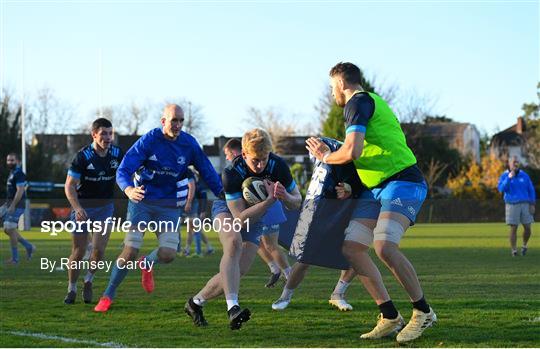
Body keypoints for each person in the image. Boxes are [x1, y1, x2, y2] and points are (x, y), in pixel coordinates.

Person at [306, 62, 436, 343]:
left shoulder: (358, 102)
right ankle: (389, 316)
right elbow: (367, 154)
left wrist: (327, 156)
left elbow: (352, 151)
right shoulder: (367, 103)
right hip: (376, 189)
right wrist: (352, 184)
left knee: (384, 246)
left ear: (341, 84)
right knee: (352, 249)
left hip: (403, 182)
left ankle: (423, 312)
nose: (332, 95)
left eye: (331, 88)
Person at [94, 104, 222, 313]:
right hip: (142, 200)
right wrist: (128, 190)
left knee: (169, 254)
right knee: (130, 250)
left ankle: (148, 263)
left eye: (181, 120)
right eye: (174, 120)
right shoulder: (149, 140)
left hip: (169, 204)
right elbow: (123, 170)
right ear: (163, 121)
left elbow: (207, 170)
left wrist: (223, 193)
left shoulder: (189, 144)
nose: (178, 125)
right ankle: (108, 294)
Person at [184, 128, 302, 330]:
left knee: (239, 270)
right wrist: (269, 201)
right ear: (244, 154)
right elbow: (238, 219)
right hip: (227, 209)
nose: (260, 164)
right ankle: (233, 309)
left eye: (264, 159)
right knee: (233, 243)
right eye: (255, 160)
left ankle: (195, 303)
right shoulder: (232, 172)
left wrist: (285, 196)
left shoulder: (278, 166)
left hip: (257, 216)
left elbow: (296, 202)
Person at [63, 118, 123, 304]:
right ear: (94, 134)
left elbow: (131, 170)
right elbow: (69, 186)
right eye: (103, 133)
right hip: (83, 209)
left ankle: (88, 280)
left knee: (98, 250)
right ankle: (71, 288)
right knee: (79, 251)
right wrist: (78, 208)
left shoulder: (117, 153)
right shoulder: (83, 157)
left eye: (110, 133)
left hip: (105, 207)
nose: (107, 137)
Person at [223, 138, 288, 288]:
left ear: (235, 152)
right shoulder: (236, 171)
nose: (227, 158)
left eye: (227, 154)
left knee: (271, 244)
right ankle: (275, 269)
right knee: (256, 242)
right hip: (255, 210)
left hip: (270, 208)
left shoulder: (260, 166)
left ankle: (289, 274)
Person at [497, 156, 536, 256]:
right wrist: (509, 178)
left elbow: (531, 189)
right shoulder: (504, 175)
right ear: (509, 163)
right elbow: (501, 189)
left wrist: (532, 203)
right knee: (514, 228)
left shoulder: (524, 175)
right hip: (512, 204)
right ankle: (514, 250)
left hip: (525, 204)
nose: (516, 164)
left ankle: (524, 245)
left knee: (528, 228)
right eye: (514, 162)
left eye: (517, 162)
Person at [2, 153, 35, 264]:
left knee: (9, 228)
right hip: (11, 203)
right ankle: (28, 246)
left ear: (17, 161)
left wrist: (13, 205)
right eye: (8, 160)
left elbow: (20, 190)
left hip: (18, 204)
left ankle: (15, 259)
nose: (9, 162)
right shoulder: (12, 173)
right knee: (7, 229)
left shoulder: (19, 173)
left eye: (12, 160)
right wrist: (7, 204)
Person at [182, 167, 214, 257]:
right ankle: (208, 247)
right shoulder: (191, 184)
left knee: (194, 230)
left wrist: (203, 211)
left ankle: (196, 250)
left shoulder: (199, 185)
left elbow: (203, 199)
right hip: (193, 209)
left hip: (196, 210)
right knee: (193, 229)